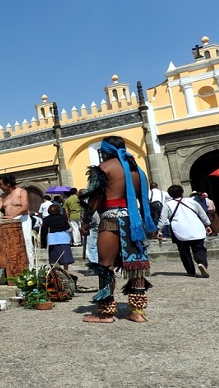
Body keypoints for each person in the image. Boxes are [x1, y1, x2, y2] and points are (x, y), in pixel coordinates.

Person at [78, 136, 156, 323]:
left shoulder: (104, 168)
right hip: (134, 222)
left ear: (104, 151)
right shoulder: (137, 170)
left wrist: (86, 221)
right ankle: (137, 311)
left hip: (111, 220)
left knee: (106, 266)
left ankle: (105, 313)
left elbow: (95, 199)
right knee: (136, 266)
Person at [156, 185, 212, 278]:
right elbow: (202, 213)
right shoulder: (191, 201)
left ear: (170, 195)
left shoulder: (168, 204)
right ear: (182, 192)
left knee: (184, 251)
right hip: (195, 227)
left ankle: (190, 271)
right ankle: (202, 263)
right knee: (199, 248)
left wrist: (159, 230)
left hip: (178, 229)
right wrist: (207, 224)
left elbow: (163, 218)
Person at [0, 174, 34, 269]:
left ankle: (31, 268)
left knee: (26, 242)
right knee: (9, 244)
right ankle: (13, 267)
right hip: (9, 221)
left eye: (1, 184)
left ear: (8, 184)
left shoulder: (21, 192)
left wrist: (12, 216)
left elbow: (25, 206)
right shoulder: (2, 196)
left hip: (22, 219)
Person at [40, 204, 74, 272]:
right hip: (63, 238)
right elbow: (68, 227)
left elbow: (44, 231)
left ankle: (55, 272)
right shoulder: (62, 217)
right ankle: (66, 271)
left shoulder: (46, 219)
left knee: (54, 259)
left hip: (52, 239)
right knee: (65, 258)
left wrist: (43, 243)